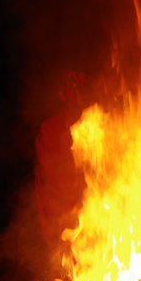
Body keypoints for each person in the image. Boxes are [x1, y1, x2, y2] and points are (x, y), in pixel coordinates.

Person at [35, 71, 93, 265]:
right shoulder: (51, 128)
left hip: (102, 209)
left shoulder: (102, 120)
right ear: (62, 94)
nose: (81, 93)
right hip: (67, 215)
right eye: (75, 88)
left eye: (84, 87)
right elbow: (52, 173)